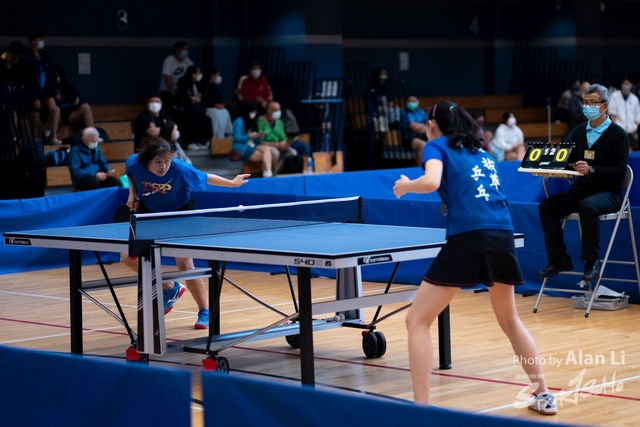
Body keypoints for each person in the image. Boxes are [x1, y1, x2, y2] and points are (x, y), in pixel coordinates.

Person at [392, 101, 556, 415]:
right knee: (510, 320)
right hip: (502, 234)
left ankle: (420, 410)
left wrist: (406, 186)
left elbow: (431, 182)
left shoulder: (435, 146)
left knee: (417, 320)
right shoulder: (482, 154)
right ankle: (544, 394)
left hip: (469, 236)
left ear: (432, 124)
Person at [123, 137, 250, 329]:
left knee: (184, 262)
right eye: (158, 162)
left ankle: (204, 311)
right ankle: (170, 287)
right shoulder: (134, 162)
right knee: (128, 256)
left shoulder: (180, 169)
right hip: (150, 212)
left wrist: (232, 183)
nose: (163, 166)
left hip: (180, 211)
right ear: (146, 161)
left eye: (166, 161)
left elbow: (205, 177)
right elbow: (131, 174)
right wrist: (132, 194)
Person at [538, 84, 629, 282]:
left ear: (604, 107)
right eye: (585, 103)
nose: (587, 107)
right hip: (580, 189)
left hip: (608, 193)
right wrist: (553, 169)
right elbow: (569, 161)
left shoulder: (618, 135)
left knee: (586, 206)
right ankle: (559, 259)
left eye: (592, 103)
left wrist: (592, 170)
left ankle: (591, 261)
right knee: (547, 207)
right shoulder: (578, 131)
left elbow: (619, 172)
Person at [23, 28, 60, 144]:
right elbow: (27, 81)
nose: (42, 41)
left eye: (43, 39)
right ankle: (35, 142)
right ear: (33, 41)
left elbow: (51, 75)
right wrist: (34, 98)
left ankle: (48, 134)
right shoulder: (27, 59)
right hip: (35, 93)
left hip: (47, 91)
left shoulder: (46, 56)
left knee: (55, 109)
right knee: (36, 118)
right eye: (40, 39)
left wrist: (54, 91)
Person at [232, 101, 275, 177]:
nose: (254, 114)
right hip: (242, 148)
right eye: (253, 111)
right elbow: (237, 138)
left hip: (252, 145)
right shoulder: (238, 122)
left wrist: (258, 136)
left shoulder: (252, 121)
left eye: (255, 112)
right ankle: (267, 175)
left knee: (266, 149)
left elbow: (254, 138)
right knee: (265, 157)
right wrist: (249, 136)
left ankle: (268, 172)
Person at [175, 65, 213, 149]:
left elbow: (201, 96)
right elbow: (182, 97)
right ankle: (191, 142)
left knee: (206, 119)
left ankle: (202, 141)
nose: (200, 75)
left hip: (196, 108)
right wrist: (193, 98)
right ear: (193, 74)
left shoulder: (197, 84)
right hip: (184, 109)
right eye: (199, 73)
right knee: (194, 118)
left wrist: (199, 97)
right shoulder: (183, 82)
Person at [257, 101, 301, 172]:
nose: (278, 112)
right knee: (275, 153)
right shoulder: (260, 121)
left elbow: (283, 138)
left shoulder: (279, 122)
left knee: (292, 152)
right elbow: (260, 141)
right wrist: (277, 145)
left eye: (279, 110)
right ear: (268, 110)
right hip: (267, 146)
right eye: (275, 110)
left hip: (279, 146)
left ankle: (280, 172)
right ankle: (272, 174)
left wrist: (284, 144)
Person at [607, 77, 640, 152]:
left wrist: (635, 126)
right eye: (624, 83)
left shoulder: (635, 99)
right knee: (619, 150)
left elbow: (638, 115)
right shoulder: (615, 96)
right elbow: (612, 112)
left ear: (631, 85)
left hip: (632, 131)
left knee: (632, 152)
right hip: (619, 129)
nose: (626, 85)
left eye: (627, 83)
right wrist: (616, 127)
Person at [200, 67, 233, 138]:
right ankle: (217, 136)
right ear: (212, 76)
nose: (218, 77)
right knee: (217, 114)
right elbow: (203, 101)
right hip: (207, 108)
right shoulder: (203, 86)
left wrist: (221, 105)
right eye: (217, 75)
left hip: (216, 108)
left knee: (225, 111)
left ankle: (227, 133)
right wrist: (214, 105)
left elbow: (219, 100)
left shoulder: (216, 87)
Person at [159, 41, 193, 107]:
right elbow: (167, 79)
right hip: (168, 91)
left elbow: (194, 73)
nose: (186, 51)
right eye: (184, 49)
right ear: (177, 50)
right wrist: (174, 94)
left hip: (182, 91)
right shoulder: (169, 60)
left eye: (187, 50)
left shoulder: (187, 60)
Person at [400, 95, 428, 165]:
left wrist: (423, 127)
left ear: (418, 102)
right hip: (409, 139)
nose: (411, 103)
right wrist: (424, 127)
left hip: (423, 136)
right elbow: (415, 128)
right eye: (409, 101)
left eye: (413, 101)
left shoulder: (421, 112)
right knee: (422, 145)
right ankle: (420, 168)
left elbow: (429, 126)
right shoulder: (404, 113)